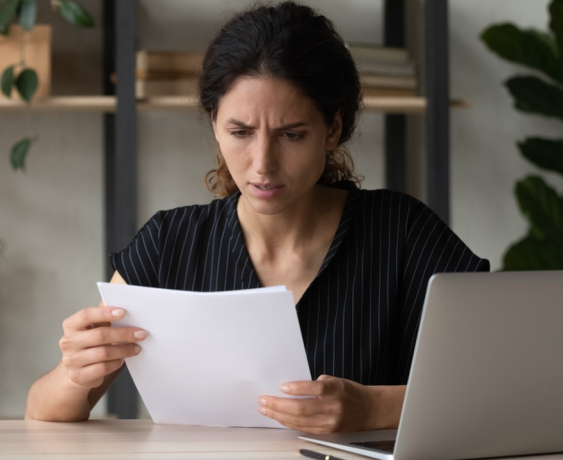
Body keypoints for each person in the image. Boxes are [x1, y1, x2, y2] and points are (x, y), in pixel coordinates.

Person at [25, 1, 489, 433]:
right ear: (214, 124)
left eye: (291, 134)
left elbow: (494, 387)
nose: (263, 163)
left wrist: (371, 408)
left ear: (333, 129)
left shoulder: (403, 232)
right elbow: (43, 414)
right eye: (240, 132)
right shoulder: (170, 244)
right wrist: (74, 371)